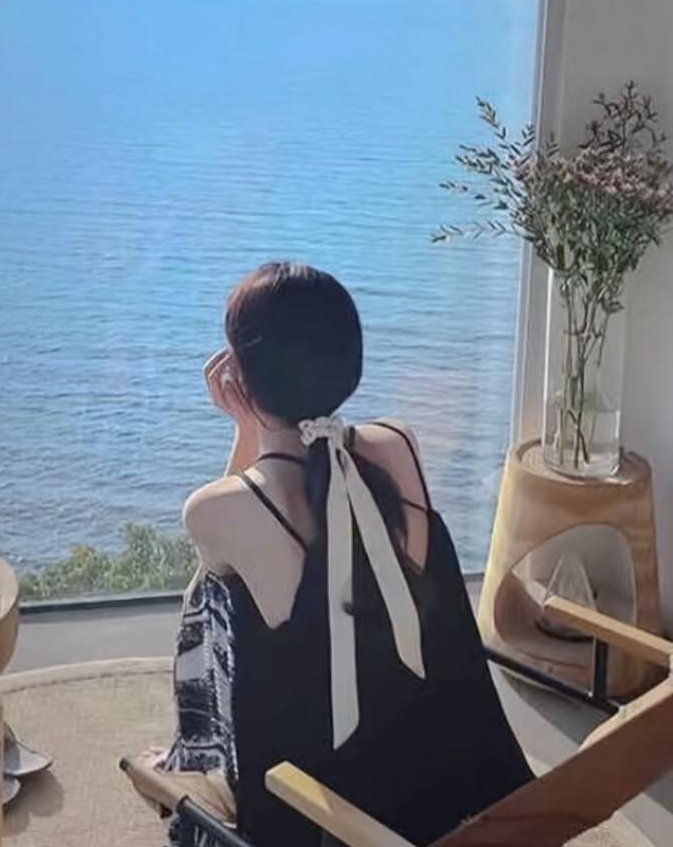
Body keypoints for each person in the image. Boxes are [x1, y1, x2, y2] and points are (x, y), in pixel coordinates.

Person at [153, 261, 532, 846]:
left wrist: (245, 430)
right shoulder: (398, 443)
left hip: (320, 818)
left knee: (211, 597)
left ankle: (194, 760)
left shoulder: (218, 510)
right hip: (452, 785)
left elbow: (207, 603)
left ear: (242, 378)